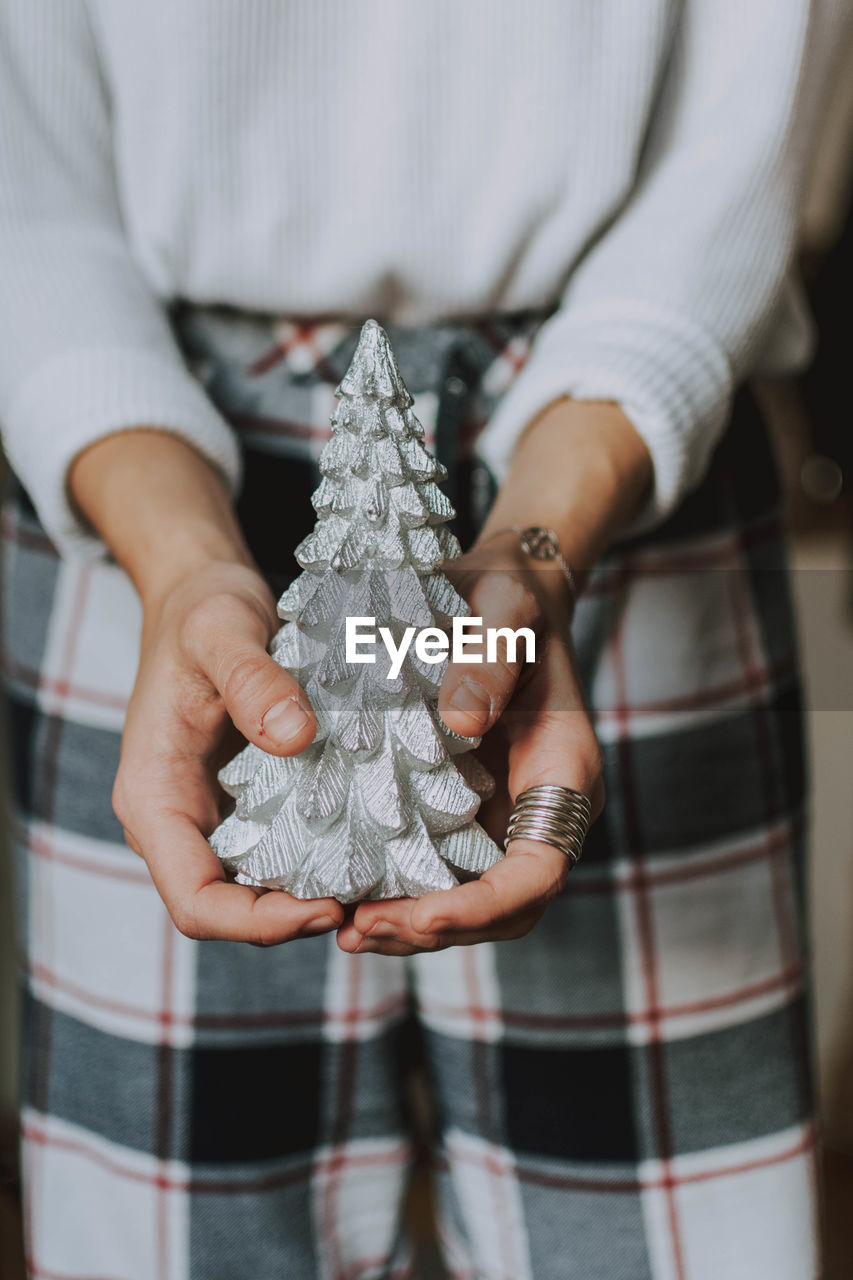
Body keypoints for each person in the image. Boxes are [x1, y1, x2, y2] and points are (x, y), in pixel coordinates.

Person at [0, 3, 841, 1277]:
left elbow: (736, 165)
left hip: (612, 464)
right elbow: (27, 197)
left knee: (659, 1232)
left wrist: (538, 548)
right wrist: (181, 569)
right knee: (176, 1232)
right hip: (145, 477)